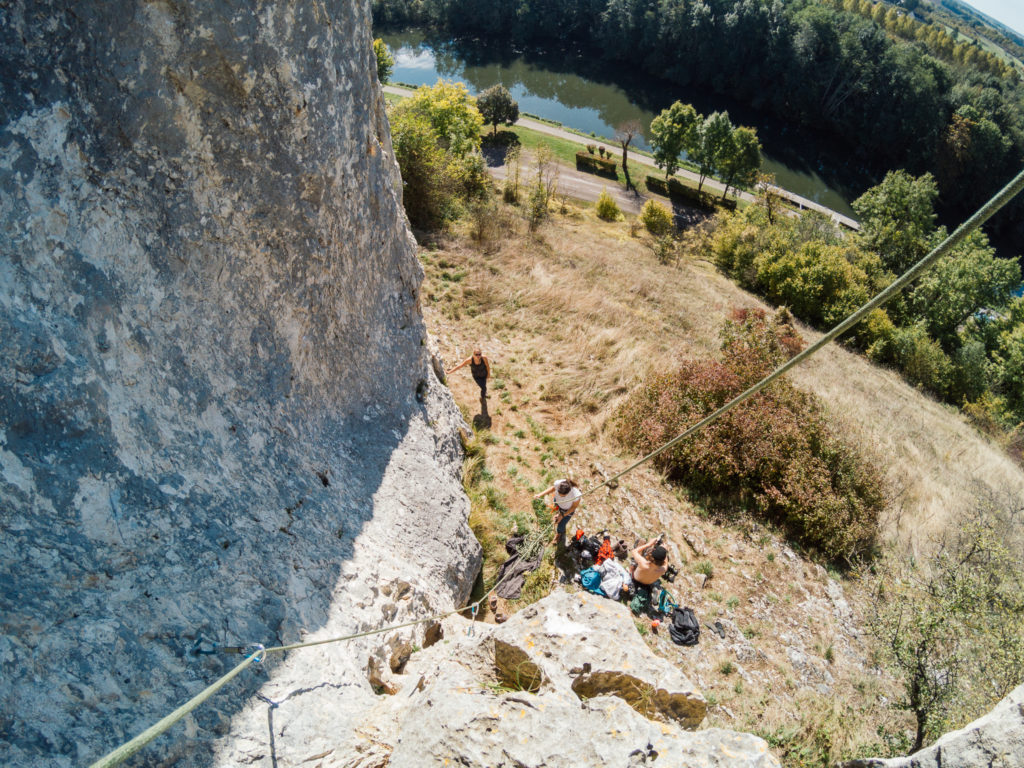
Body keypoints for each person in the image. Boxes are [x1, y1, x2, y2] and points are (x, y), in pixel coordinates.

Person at [533, 478, 582, 547]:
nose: (560, 496)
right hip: (558, 503)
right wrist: (540, 494)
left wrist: (562, 516)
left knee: (561, 524)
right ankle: (558, 512)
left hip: (567, 510)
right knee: (556, 505)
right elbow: (552, 488)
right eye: (558, 493)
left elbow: (573, 507)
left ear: (568, 493)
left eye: (563, 496)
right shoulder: (559, 484)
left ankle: (559, 534)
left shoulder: (576, 495)